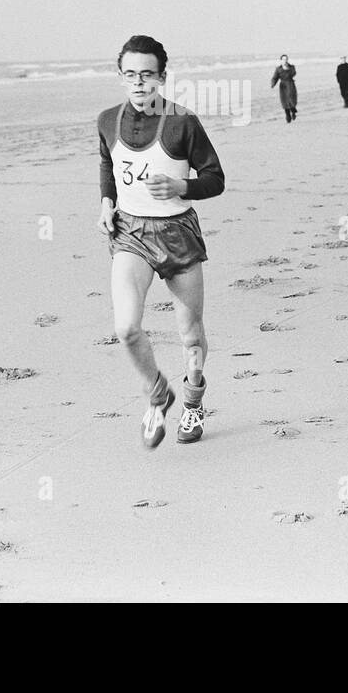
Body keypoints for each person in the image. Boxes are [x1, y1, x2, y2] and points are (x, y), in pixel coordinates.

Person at [98, 35, 225, 449]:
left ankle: (192, 400)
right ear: (121, 77)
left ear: (162, 77)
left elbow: (215, 180)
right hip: (130, 233)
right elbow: (108, 162)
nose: (139, 83)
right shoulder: (107, 120)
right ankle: (157, 394)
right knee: (127, 328)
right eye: (131, 75)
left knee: (190, 334)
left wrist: (179, 185)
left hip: (177, 235)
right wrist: (105, 203)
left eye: (147, 75)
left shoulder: (182, 122)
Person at [270, 55, 298, 123]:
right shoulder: (278, 68)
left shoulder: (292, 67)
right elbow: (275, 77)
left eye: (286, 59)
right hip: (283, 86)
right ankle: (287, 115)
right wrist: (273, 84)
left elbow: (294, 73)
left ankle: (293, 111)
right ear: (281, 60)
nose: (285, 60)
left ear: (287, 60)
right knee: (284, 101)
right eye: (283, 59)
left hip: (290, 84)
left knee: (291, 99)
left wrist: (287, 68)